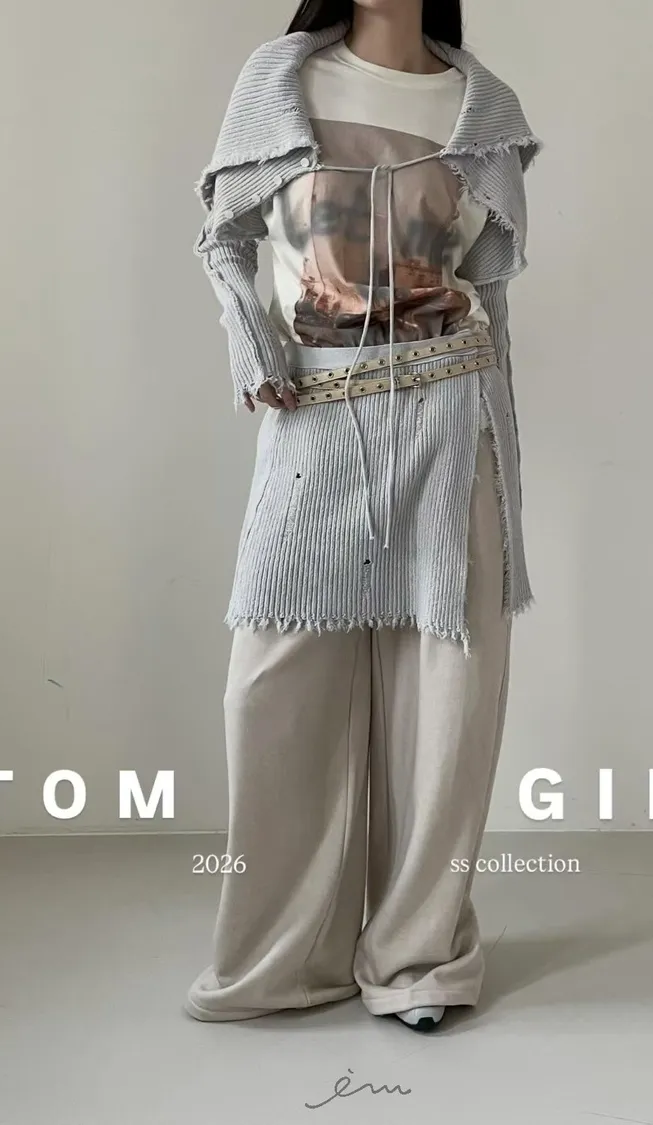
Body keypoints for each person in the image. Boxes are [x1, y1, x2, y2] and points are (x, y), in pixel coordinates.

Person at [186, 0, 541, 1033]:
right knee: (272, 684)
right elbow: (223, 237)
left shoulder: (482, 108)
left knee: (449, 694)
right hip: (316, 413)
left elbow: (491, 291)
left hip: (454, 416)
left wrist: (504, 459)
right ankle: (280, 957)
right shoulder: (280, 81)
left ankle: (417, 957)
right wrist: (251, 345)